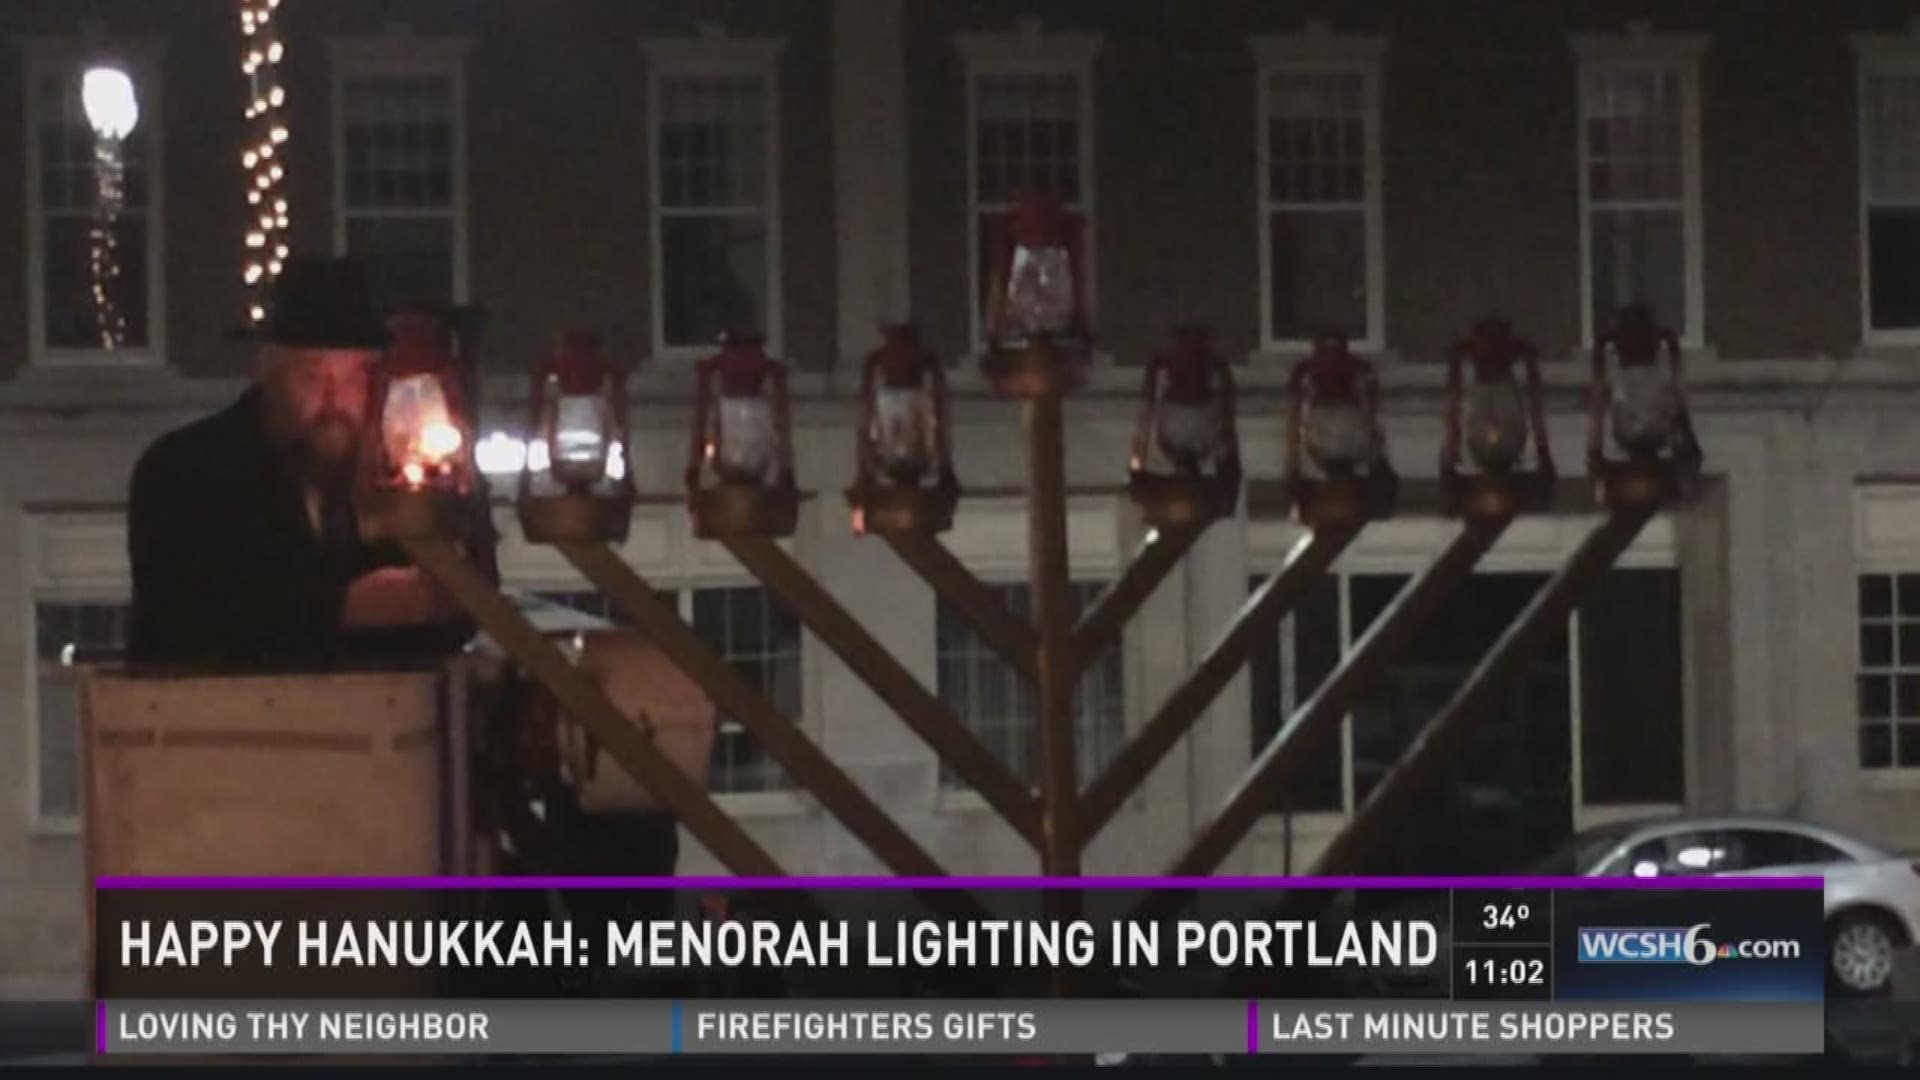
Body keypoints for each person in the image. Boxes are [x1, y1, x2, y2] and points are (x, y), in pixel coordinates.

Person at [127, 256, 482, 668]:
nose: (335, 402)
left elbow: (461, 618)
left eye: (356, 377)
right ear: (267, 371)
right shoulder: (184, 473)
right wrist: (344, 608)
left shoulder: (403, 478)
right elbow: (183, 622)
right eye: (313, 377)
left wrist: (442, 587)